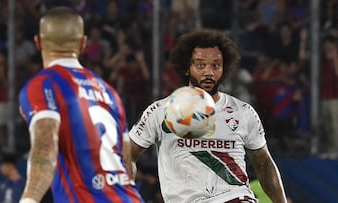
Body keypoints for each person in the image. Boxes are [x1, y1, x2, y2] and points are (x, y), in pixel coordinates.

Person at [129, 29, 287, 203]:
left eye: (215, 65)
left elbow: (264, 163)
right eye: (201, 65)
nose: (209, 72)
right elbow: (128, 156)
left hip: (234, 198)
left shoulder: (243, 112)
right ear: (187, 68)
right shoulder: (160, 111)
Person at [18, 7, 144, 203]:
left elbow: (45, 146)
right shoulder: (109, 92)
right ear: (83, 43)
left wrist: (29, 200)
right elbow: (127, 164)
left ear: (38, 42)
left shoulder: (43, 84)